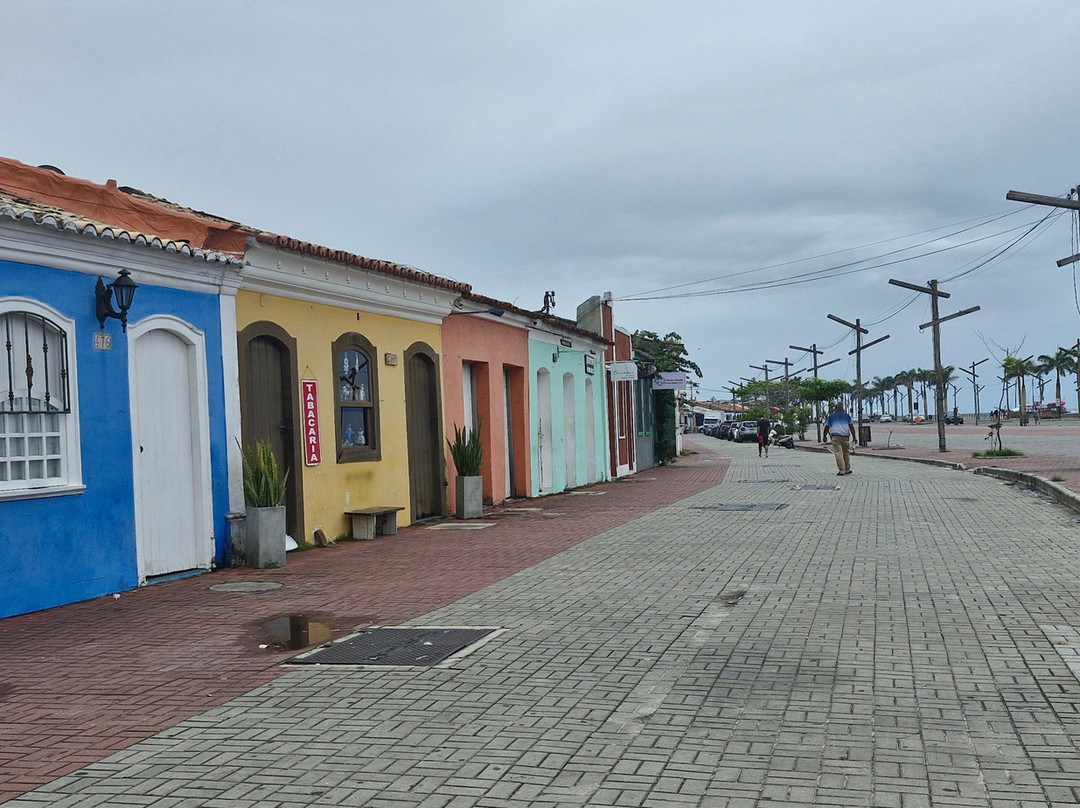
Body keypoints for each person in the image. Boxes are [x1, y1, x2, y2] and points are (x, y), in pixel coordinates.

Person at [823, 401, 856, 475]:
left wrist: (824, 436)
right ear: (842, 408)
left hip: (836, 437)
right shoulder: (847, 416)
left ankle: (842, 470)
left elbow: (826, 427)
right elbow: (851, 427)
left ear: (835, 408)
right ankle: (847, 469)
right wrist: (854, 437)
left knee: (838, 453)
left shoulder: (831, 417)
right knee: (846, 453)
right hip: (845, 437)